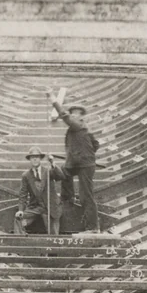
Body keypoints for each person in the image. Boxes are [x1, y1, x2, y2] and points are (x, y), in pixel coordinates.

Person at [48, 93, 101, 232]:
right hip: (77, 163)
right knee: (64, 172)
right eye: (73, 114)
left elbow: (64, 115)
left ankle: (93, 227)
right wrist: (84, 153)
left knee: (86, 196)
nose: (74, 116)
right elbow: (96, 144)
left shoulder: (78, 125)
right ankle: (68, 199)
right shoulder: (83, 129)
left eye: (77, 114)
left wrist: (53, 99)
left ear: (81, 117)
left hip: (85, 166)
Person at [16, 147, 66, 235]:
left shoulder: (48, 171)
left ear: (40, 159)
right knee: (18, 219)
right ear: (30, 160)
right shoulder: (26, 175)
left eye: (37, 157)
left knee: (53, 235)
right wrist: (20, 210)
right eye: (32, 157)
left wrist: (52, 162)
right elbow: (22, 195)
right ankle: (21, 240)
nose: (35, 159)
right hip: (35, 208)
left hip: (50, 208)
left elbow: (60, 176)